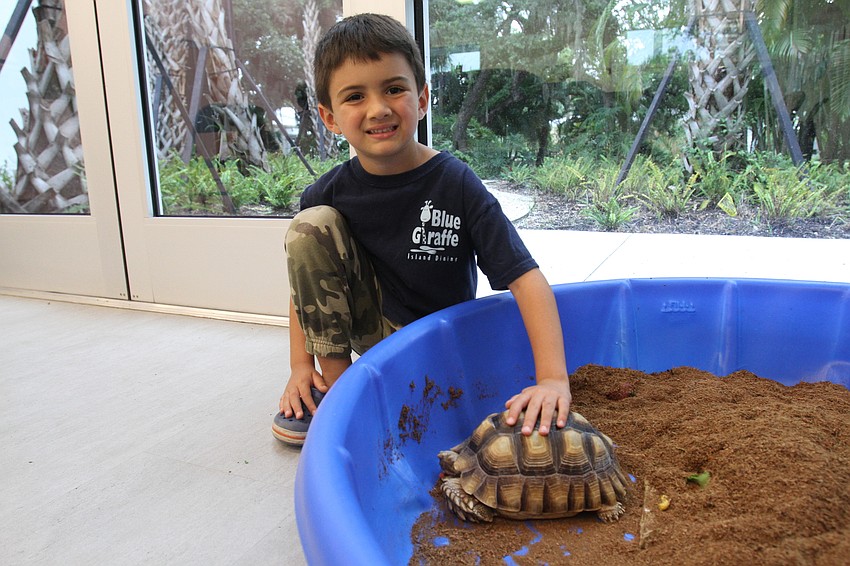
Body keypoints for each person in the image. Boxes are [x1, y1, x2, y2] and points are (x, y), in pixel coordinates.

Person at [272, 13, 571, 446]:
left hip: (441, 341)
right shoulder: (328, 192)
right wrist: (301, 367)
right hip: (376, 335)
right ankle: (339, 394)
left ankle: (359, 397)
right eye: (355, 96)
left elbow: (526, 279)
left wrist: (553, 379)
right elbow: (306, 288)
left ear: (423, 98)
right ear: (330, 117)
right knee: (309, 228)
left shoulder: (455, 181)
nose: (378, 109)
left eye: (394, 89)